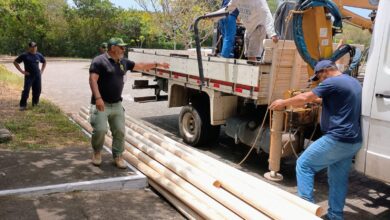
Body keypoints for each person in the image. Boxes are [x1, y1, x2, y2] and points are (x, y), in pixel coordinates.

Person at [269, 60, 362, 220]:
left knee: (304, 165)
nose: (320, 82)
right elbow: (340, 100)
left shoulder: (332, 82)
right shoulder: (352, 81)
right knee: (337, 180)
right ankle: (335, 216)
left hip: (337, 139)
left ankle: (306, 213)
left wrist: (283, 102)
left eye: (319, 78)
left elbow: (305, 96)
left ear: (324, 71)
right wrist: (318, 100)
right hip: (353, 141)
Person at [89, 37, 169, 169]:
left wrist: (157, 64)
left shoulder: (123, 62)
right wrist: (98, 98)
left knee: (120, 131)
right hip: (101, 104)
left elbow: (140, 66)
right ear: (113, 48)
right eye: (121, 47)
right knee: (100, 130)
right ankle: (97, 152)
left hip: (117, 104)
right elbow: (93, 80)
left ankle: (118, 156)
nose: (123, 49)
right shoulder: (99, 61)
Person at [213, 0, 279, 61]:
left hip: (258, 27)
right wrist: (214, 16)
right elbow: (228, 9)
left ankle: (253, 72)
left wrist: (272, 33)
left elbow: (267, 14)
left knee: (252, 55)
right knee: (248, 55)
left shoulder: (259, 1)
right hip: (249, 28)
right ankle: (252, 71)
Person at [13, 41, 46, 111]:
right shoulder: (25, 55)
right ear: (29, 47)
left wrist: (42, 71)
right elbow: (15, 62)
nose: (34, 48)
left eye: (35, 47)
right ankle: (22, 105)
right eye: (32, 47)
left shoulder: (39, 55)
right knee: (26, 90)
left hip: (37, 76)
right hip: (29, 76)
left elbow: (44, 62)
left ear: (36, 47)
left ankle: (35, 104)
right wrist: (22, 71)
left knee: (38, 90)